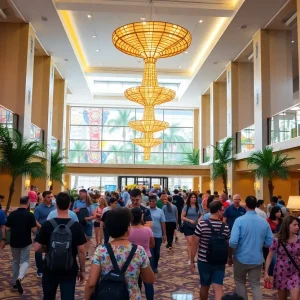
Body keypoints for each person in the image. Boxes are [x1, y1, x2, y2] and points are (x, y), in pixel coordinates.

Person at [85, 208, 155, 300]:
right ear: (128, 228)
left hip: (108, 295)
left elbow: (91, 284)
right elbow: (150, 279)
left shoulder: (101, 250)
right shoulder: (139, 251)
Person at [34, 192, 87, 300]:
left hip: (50, 267)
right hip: (70, 267)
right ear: (69, 205)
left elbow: (37, 248)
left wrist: (49, 249)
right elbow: (81, 250)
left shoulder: (47, 224)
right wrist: (82, 270)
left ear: (56, 205)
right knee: (68, 297)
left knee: (48, 297)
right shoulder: (76, 226)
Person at [229, 196, 273, 300]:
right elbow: (270, 242)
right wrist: (261, 245)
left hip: (240, 257)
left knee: (240, 282)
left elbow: (233, 242)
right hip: (257, 258)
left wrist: (231, 254)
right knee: (256, 285)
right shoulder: (264, 222)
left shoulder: (239, 221)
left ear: (246, 205)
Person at [190, 200, 231, 300]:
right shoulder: (225, 227)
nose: (223, 212)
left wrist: (192, 261)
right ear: (217, 211)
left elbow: (194, 244)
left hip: (204, 261)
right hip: (220, 261)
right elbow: (228, 244)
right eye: (222, 210)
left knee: (204, 286)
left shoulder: (202, 224)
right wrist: (230, 257)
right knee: (218, 287)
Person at [3, 196, 37, 294]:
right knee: (25, 261)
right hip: (26, 241)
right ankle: (20, 278)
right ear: (28, 202)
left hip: (14, 241)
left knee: (15, 261)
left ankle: (14, 282)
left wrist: (4, 239)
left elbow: (7, 228)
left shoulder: (12, 214)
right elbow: (34, 230)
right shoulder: (30, 215)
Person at [264, 216, 300, 300]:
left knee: (295, 298)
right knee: (282, 298)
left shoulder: (299, 240)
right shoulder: (277, 240)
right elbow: (269, 256)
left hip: (295, 272)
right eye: (294, 225)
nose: (297, 227)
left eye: (298, 225)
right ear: (287, 225)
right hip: (281, 272)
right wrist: (266, 272)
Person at [128, 207, 155, 300]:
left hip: (131, 259)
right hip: (146, 257)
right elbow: (152, 244)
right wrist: (144, 248)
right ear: (141, 217)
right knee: (148, 283)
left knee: (134, 283)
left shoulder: (127, 231)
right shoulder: (148, 230)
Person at [34, 191, 56, 277]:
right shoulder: (38, 208)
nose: (50, 199)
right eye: (48, 197)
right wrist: (43, 228)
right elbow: (35, 220)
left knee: (50, 250)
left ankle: (48, 267)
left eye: (51, 197)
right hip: (41, 233)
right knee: (39, 251)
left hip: (52, 233)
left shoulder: (55, 208)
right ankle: (40, 269)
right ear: (43, 198)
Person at [73, 189, 95, 260]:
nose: (80, 195)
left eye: (81, 193)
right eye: (79, 193)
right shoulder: (76, 202)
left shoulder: (90, 204)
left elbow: (94, 215)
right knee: (80, 238)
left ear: (85, 194)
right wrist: (76, 211)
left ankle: (86, 252)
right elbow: (71, 212)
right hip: (79, 223)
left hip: (87, 223)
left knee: (87, 238)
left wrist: (88, 218)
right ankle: (80, 251)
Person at [181, 192, 201, 265]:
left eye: (195, 197)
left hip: (196, 226)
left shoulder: (199, 206)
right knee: (190, 242)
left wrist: (199, 219)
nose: (193, 199)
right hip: (188, 225)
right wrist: (189, 220)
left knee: (195, 243)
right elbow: (182, 216)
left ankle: (193, 257)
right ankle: (190, 259)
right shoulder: (186, 206)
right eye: (192, 197)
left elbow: (202, 214)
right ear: (189, 198)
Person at [149, 195, 166, 273]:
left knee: (157, 252)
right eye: (150, 201)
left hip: (158, 234)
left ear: (156, 202)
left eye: (153, 201)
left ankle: (155, 266)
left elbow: (163, 222)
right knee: (150, 252)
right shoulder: (146, 210)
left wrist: (164, 234)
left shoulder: (160, 211)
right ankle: (151, 268)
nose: (152, 203)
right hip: (148, 235)